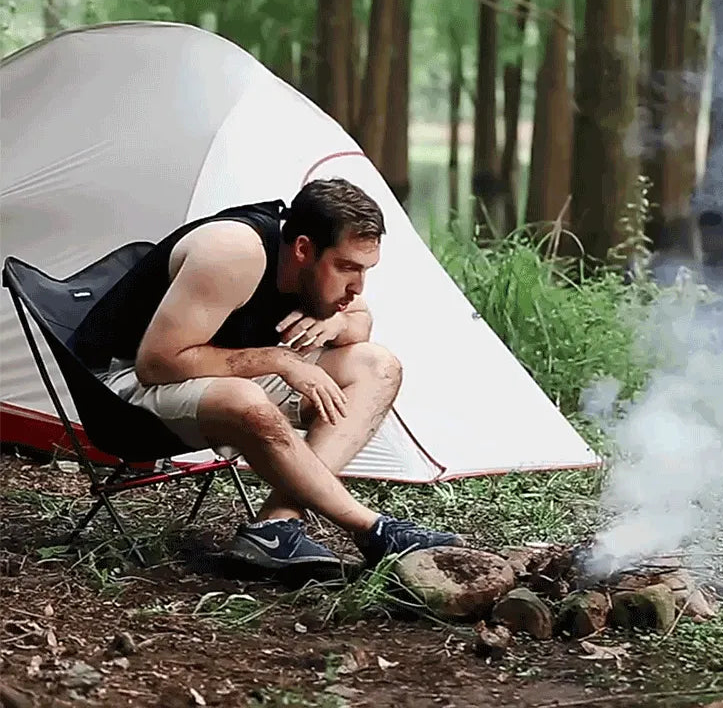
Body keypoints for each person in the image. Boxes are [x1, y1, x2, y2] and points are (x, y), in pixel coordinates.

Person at [76, 178, 462, 569]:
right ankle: (374, 530)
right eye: (346, 268)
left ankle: (276, 526)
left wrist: (336, 324)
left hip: (205, 374)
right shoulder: (233, 253)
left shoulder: (314, 269)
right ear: (303, 249)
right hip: (122, 389)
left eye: (365, 270)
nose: (357, 286)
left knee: (377, 366)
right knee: (245, 399)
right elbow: (157, 363)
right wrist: (282, 361)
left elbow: (360, 321)